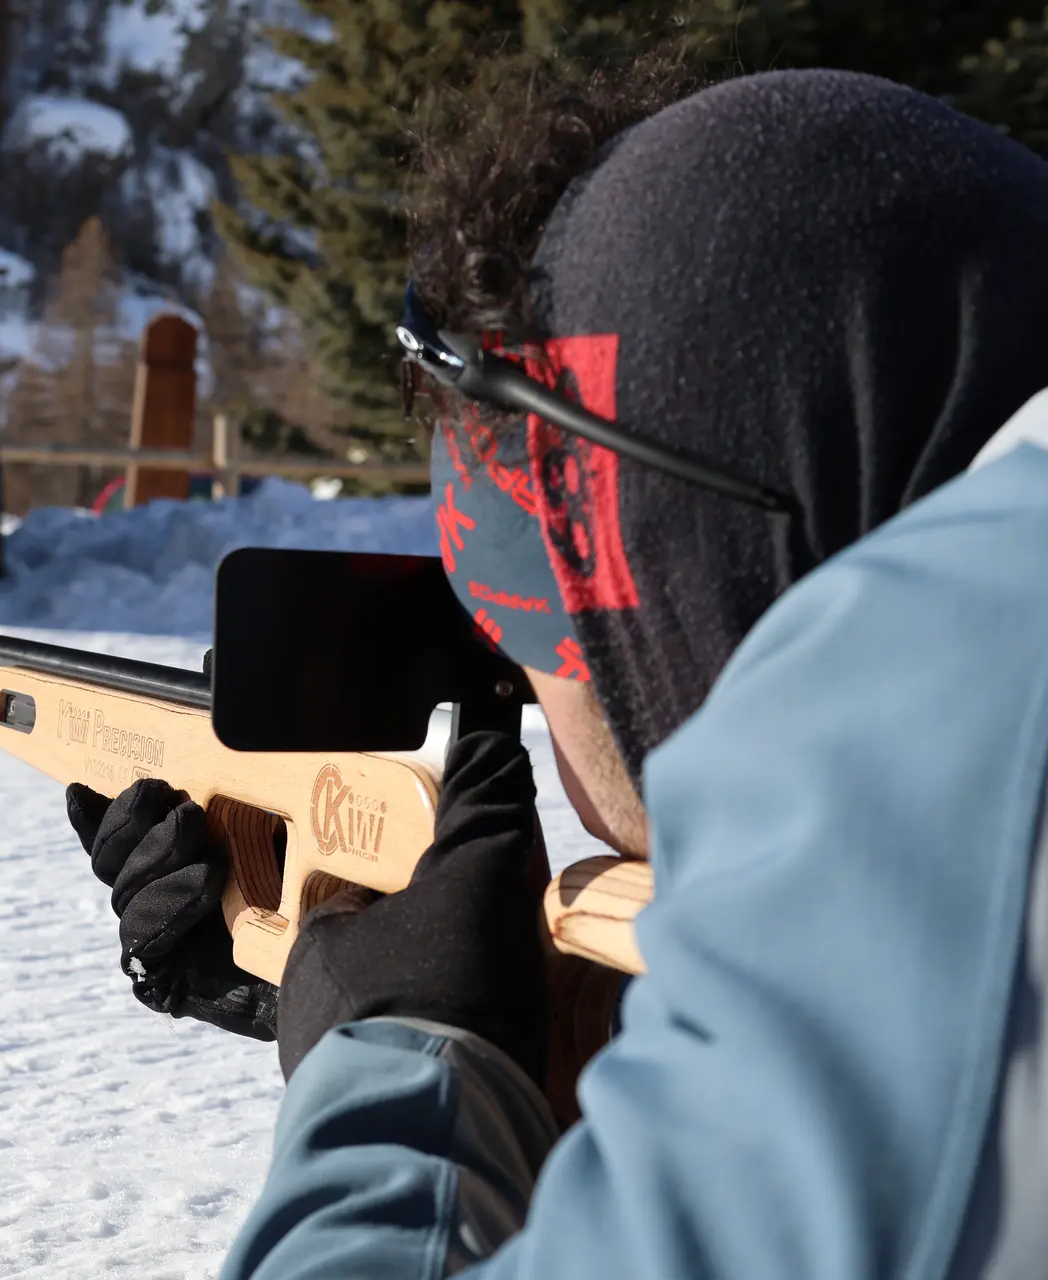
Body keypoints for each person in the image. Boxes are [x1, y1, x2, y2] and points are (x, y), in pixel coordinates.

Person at [64, 68, 1048, 1276]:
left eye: (537, 661)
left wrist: (393, 1073)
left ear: (682, 595)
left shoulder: (978, 807)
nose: (570, 785)